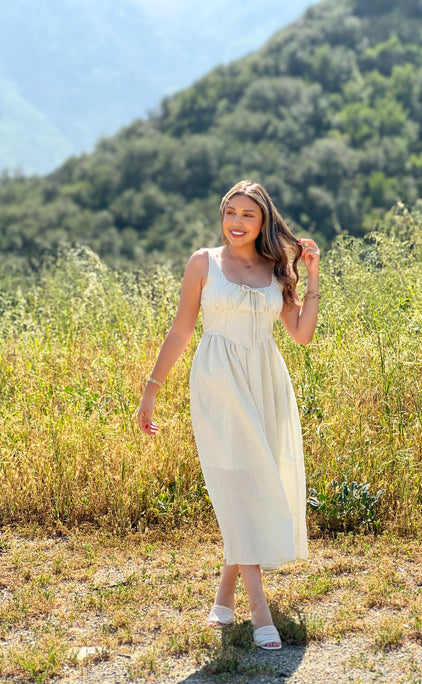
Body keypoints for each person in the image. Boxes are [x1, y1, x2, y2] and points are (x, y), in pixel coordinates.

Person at [137, 180, 320, 650]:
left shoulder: (277, 269)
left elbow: (300, 334)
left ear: (263, 223)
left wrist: (313, 277)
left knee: (254, 482)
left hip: (265, 379)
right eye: (230, 212)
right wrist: (150, 391)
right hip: (218, 380)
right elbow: (181, 331)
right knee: (240, 483)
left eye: (248, 215)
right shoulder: (204, 262)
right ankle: (260, 612)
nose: (236, 223)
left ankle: (223, 598)